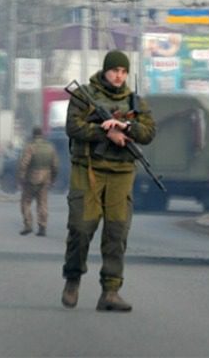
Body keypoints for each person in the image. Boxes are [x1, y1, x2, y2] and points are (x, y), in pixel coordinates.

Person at [61, 49, 156, 312]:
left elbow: (149, 132)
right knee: (81, 227)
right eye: (115, 70)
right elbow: (73, 127)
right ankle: (73, 279)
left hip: (121, 173)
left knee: (117, 232)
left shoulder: (135, 102)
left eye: (123, 71)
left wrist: (126, 128)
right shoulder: (84, 95)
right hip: (88, 169)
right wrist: (106, 134)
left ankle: (110, 291)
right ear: (105, 70)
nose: (119, 76)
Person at [18, 126, 59, 237]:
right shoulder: (50, 147)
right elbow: (55, 165)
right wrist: (53, 179)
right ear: (42, 134)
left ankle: (28, 225)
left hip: (31, 179)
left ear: (33, 134)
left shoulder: (31, 147)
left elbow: (24, 164)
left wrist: (21, 178)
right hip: (46, 179)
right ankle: (42, 227)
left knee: (25, 202)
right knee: (42, 204)